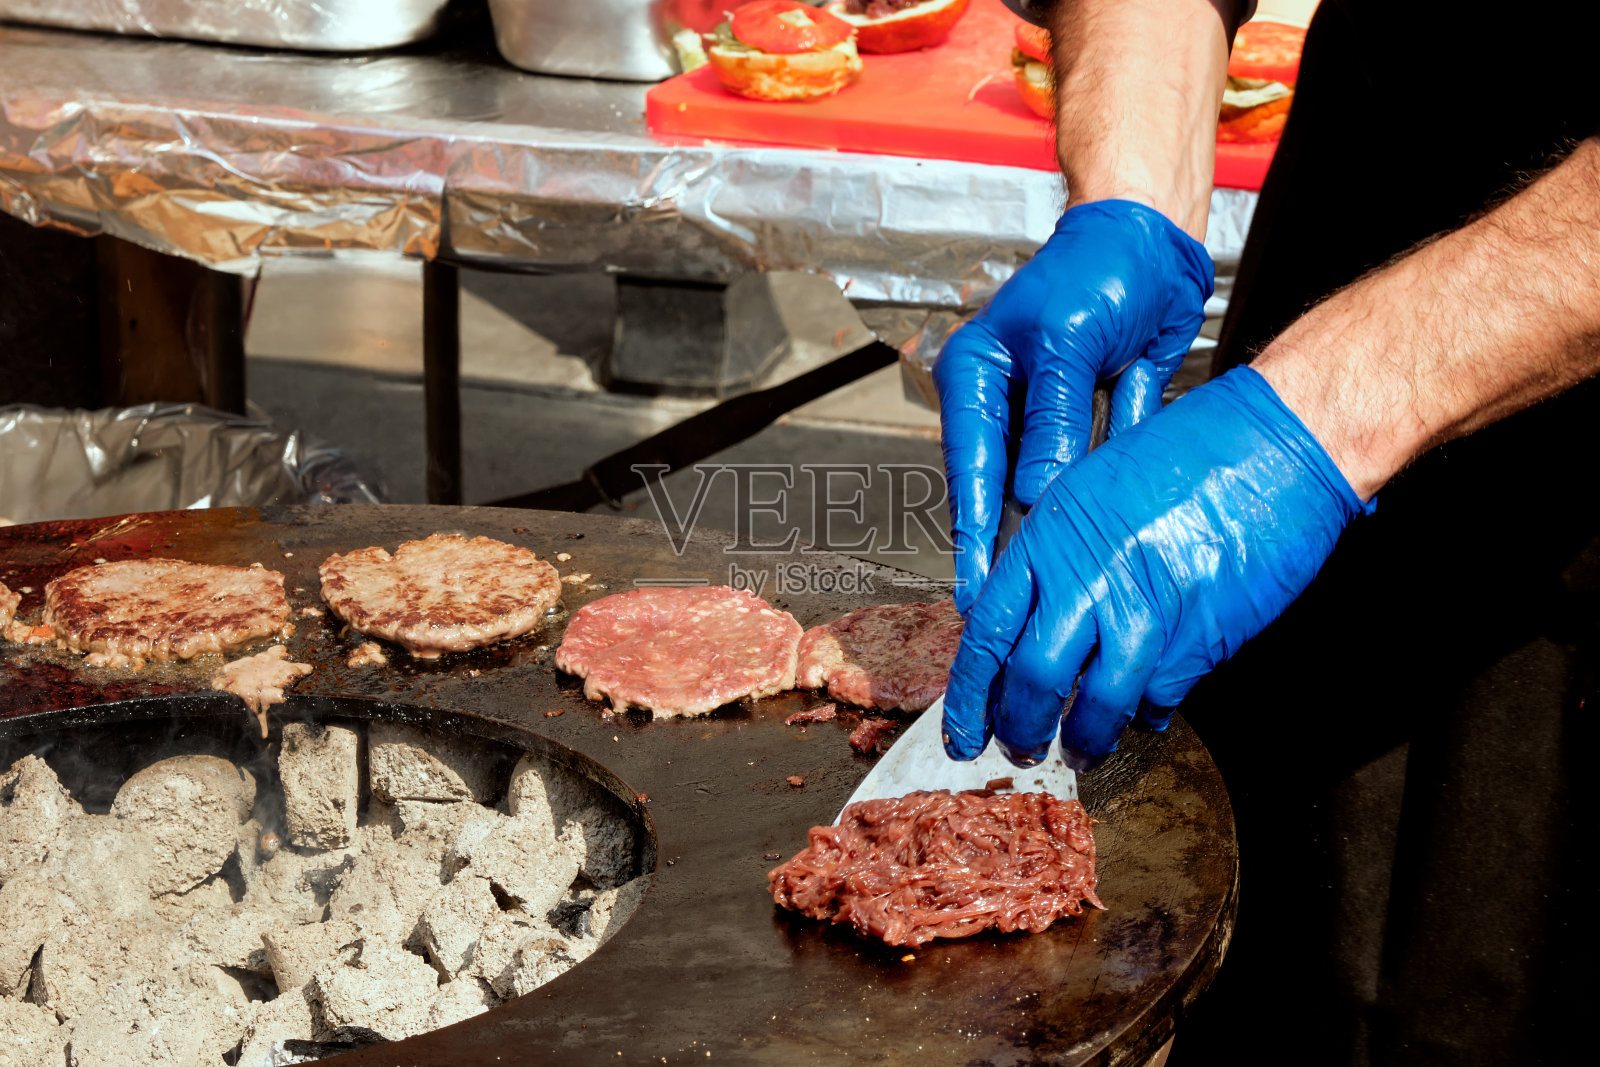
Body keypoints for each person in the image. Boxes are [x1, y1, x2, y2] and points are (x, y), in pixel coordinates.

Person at [937, 1, 1596, 1062]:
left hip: (1568, 505)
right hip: (1356, 210)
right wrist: (1130, 199)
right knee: (1255, 954)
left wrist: (1319, 410)